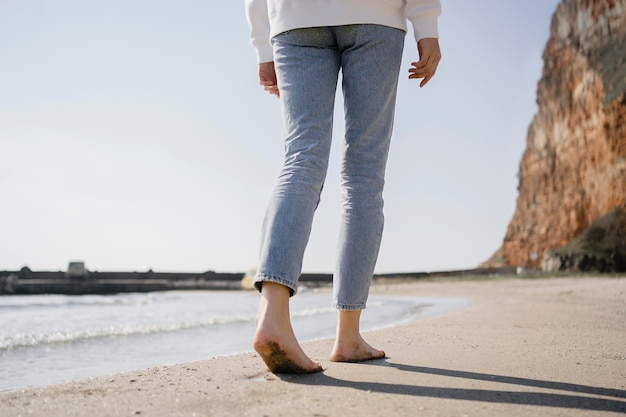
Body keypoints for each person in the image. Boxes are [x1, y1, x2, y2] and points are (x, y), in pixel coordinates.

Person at [244, 0, 442, 373]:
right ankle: (348, 337)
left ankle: (272, 315)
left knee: (301, 158)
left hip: (294, 19)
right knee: (363, 175)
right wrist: (426, 25)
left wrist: (262, 45)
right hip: (375, 16)